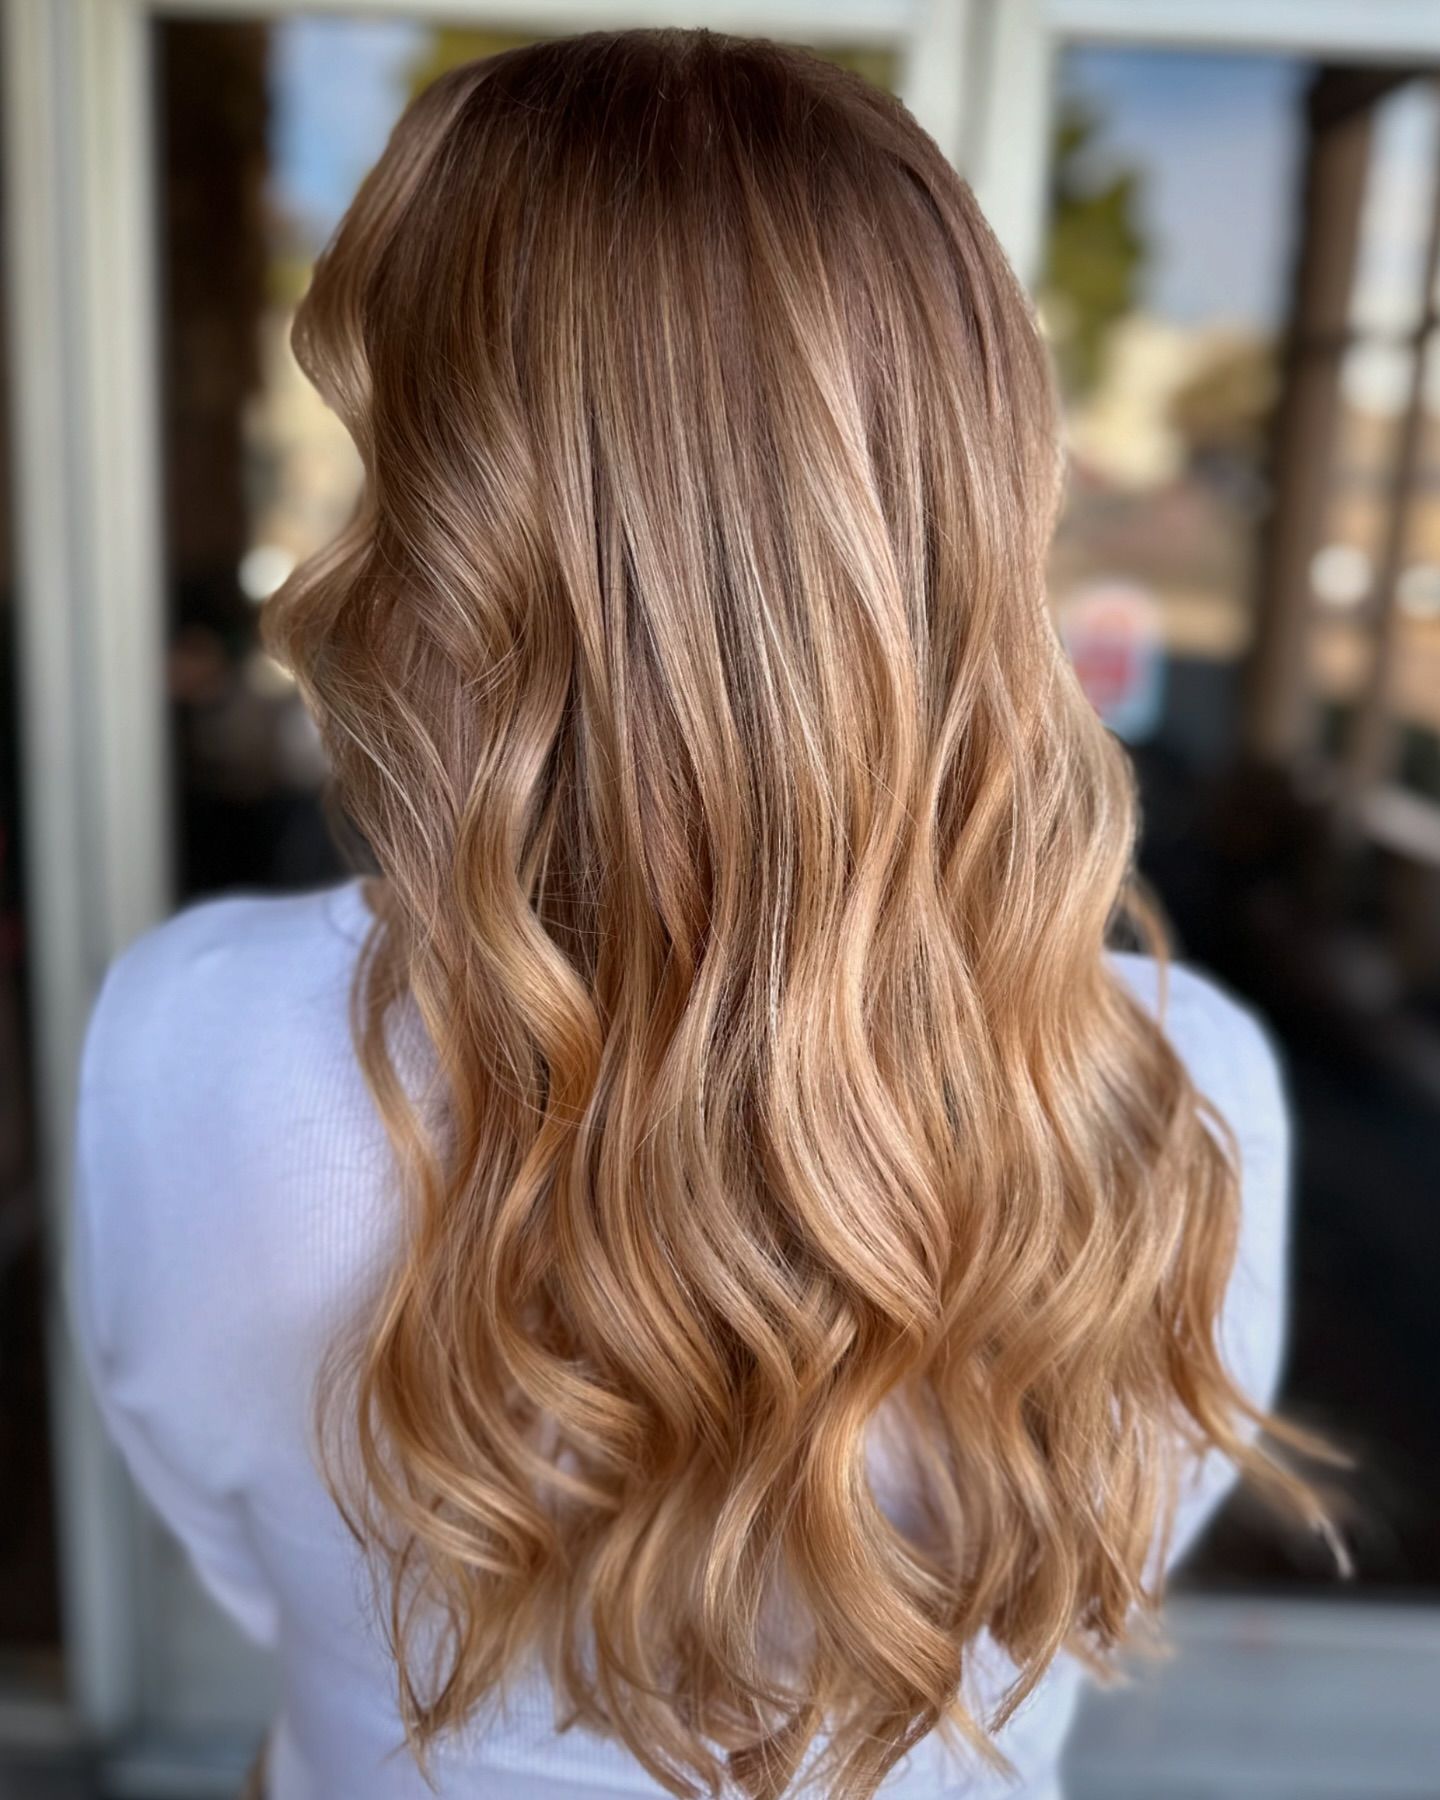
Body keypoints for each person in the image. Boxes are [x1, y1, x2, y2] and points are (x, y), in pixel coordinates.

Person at [71, 30, 1328, 1800]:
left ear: (437, 523)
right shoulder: (1178, 1094)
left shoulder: (186, 1040)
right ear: (963, 500)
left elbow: (237, 1547)